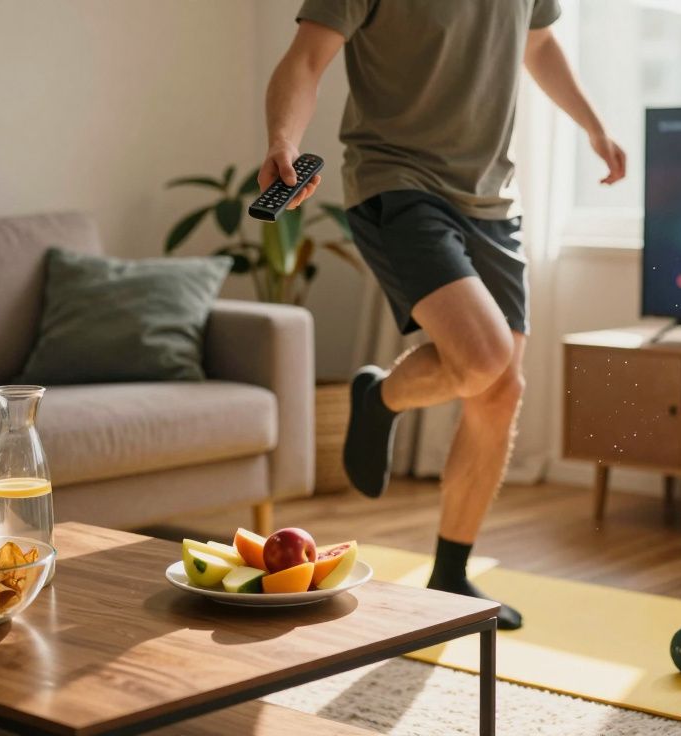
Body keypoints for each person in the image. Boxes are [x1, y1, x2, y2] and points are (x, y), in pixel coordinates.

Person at [258, 0, 625, 630]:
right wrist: (283, 141)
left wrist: (591, 126)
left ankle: (450, 572)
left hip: (490, 199)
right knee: (485, 357)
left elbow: (537, 44)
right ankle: (383, 400)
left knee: (501, 389)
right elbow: (307, 58)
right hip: (397, 183)